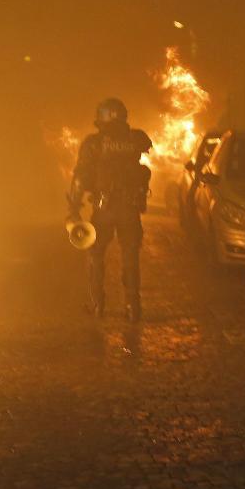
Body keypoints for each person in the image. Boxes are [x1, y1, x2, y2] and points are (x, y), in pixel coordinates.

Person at [68, 98, 152, 322]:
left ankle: (97, 306)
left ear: (101, 118)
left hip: (103, 209)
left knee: (96, 256)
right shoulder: (136, 139)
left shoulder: (93, 144)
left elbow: (80, 178)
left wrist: (73, 208)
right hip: (130, 209)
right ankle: (133, 307)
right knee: (130, 257)